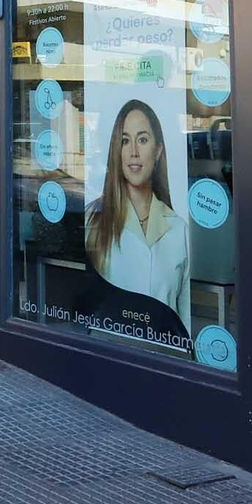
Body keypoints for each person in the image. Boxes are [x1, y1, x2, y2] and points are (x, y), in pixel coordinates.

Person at [84, 100, 190, 333]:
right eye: (125, 141)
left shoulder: (178, 229)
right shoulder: (92, 220)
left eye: (142, 140)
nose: (133, 152)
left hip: (164, 351)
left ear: (158, 150)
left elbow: (185, 323)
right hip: (107, 349)